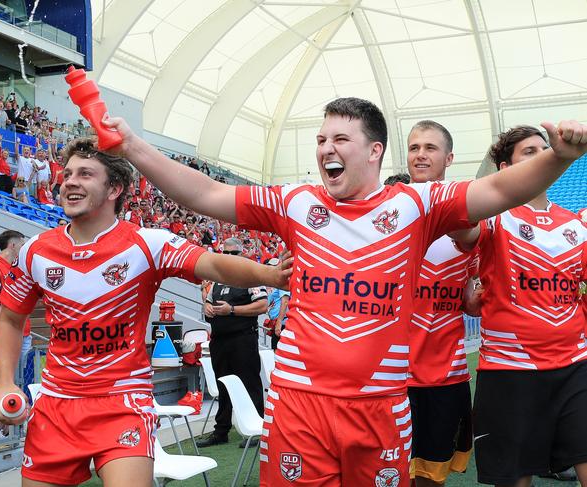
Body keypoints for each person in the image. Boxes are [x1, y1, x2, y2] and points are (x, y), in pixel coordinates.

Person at [103, 99, 587, 486]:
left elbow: (502, 191)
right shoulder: (294, 201)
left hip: (380, 406)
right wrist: (133, 147)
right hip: (299, 403)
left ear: (374, 151)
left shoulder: (417, 204)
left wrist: (559, 157)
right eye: (320, 139)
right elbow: (204, 194)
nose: (325, 148)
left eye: (340, 138)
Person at [0, 137, 292, 487]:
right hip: (57, 404)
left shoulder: (149, 244)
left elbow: (215, 265)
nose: (69, 181)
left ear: (114, 188)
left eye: (85, 173)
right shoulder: (35, 252)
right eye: (68, 172)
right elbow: (10, 320)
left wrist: (271, 276)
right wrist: (4, 383)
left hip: (123, 401)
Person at [459, 126, 587, 487]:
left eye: (545, 150)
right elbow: (460, 230)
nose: (544, 156)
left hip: (575, 366)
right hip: (510, 370)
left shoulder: (576, 224)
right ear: (504, 168)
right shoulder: (493, 218)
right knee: (515, 479)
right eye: (529, 153)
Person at [404, 121, 475, 486]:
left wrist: (473, 299)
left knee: (431, 477)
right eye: (414, 147)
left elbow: (474, 301)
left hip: (445, 375)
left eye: (430, 148)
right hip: (392, 374)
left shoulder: (468, 219)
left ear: (448, 157)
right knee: (387, 471)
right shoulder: (391, 213)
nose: (420, 154)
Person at [197, 238, 268, 448]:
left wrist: (233, 310)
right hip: (220, 339)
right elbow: (208, 303)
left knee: (250, 383)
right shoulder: (216, 281)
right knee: (223, 384)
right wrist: (207, 308)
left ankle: (257, 429)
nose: (229, 258)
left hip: (243, 339)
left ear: (241, 254)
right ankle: (221, 431)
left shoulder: (251, 277)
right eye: (225, 254)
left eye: (233, 253)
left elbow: (262, 305)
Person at [0, 230, 32, 438]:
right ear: (12, 245)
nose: (24, 248)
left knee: (16, 381)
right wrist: (9, 329)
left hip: (24, 333)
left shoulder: (17, 268)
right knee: (6, 381)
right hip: (8, 335)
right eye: (22, 244)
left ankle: (11, 430)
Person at [265, 257, 290, 350]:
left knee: (277, 353)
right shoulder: (276, 282)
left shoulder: (282, 281)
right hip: (278, 322)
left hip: (282, 323)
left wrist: (279, 322)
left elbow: (285, 301)